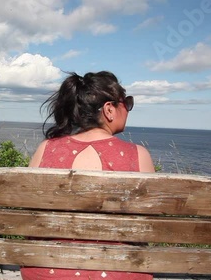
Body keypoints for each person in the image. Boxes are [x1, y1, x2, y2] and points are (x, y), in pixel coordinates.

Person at [20, 71, 155, 280]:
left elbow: (29, 214)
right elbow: (150, 226)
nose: (128, 109)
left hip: (46, 271)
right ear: (109, 109)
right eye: (126, 103)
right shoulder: (138, 155)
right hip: (119, 273)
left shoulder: (45, 149)